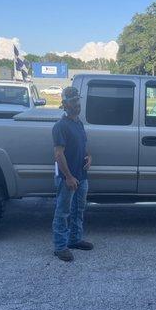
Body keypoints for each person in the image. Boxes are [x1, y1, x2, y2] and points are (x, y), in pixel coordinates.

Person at [51, 86, 93, 262]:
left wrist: (89, 156)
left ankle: (74, 239)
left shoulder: (78, 123)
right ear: (64, 104)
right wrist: (68, 176)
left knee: (78, 210)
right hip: (67, 177)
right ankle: (60, 247)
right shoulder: (61, 126)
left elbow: (83, 145)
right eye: (73, 101)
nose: (77, 104)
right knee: (63, 212)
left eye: (78, 100)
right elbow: (58, 154)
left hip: (81, 176)